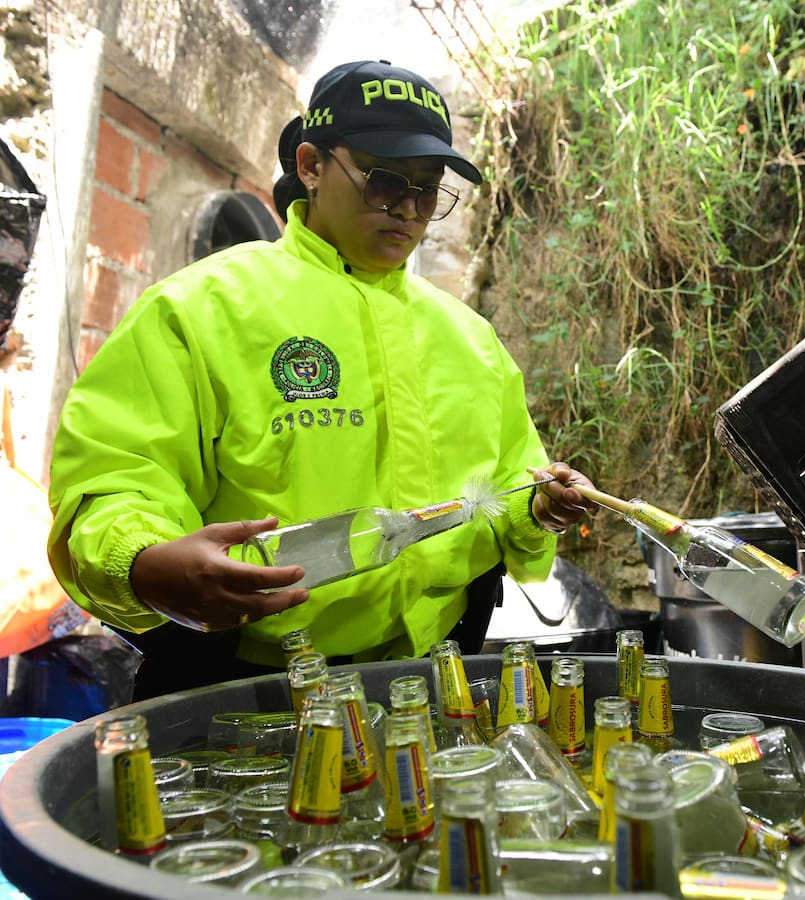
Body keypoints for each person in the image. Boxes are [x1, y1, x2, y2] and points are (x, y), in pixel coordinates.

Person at [46, 60, 594, 699]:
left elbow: (508, 489)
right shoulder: (202, 309)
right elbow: (114, 481)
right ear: (310, 165)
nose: (411, 211)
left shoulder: (472, 341)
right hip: (248, 695)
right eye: (386, 182)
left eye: (429, 190)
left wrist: (543, 505)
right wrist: (141, 562)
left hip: (437, 687)